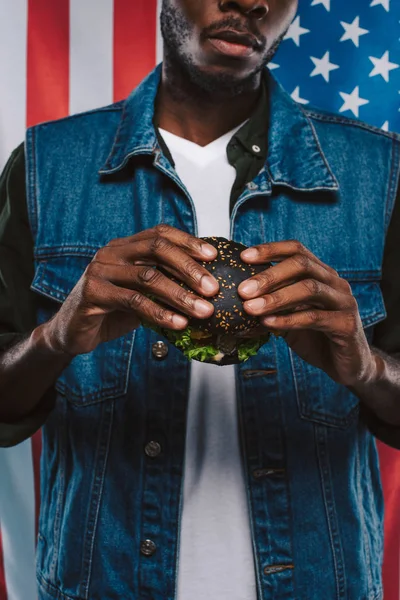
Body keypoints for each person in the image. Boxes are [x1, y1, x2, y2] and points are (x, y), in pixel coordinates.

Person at [0, 0, 400, 598]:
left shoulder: (379, 174)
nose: (253, 2)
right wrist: (55, 337)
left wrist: (368, 369)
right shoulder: (47, 167)